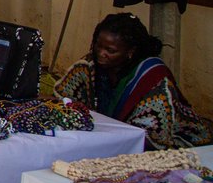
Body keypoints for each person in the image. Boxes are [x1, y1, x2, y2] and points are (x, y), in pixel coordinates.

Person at [55, 13, 212, 150]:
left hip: (177, 143)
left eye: (111, 51)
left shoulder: (154, 79)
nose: (101, 53)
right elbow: (62, 98)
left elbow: (154, 139)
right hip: (110, 139)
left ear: (130, 52)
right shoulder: (89, 66)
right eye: (98, 46)